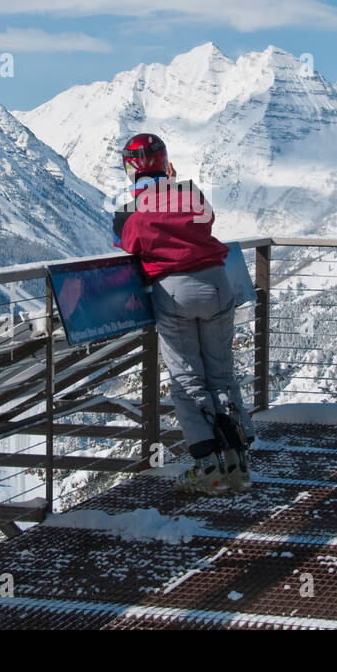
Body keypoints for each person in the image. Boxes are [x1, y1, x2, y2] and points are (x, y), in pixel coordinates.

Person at [112, 133, 255, 494]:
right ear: (165, 161)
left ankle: (208, 467)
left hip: (173, 292)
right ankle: (237, 461)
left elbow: (126, 243)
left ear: (130, 167)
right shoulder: (191, 193)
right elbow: (206, 219)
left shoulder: (130, 206)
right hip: (216, 282)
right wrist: (173, 185)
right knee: (221, 372)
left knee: (187, 380)